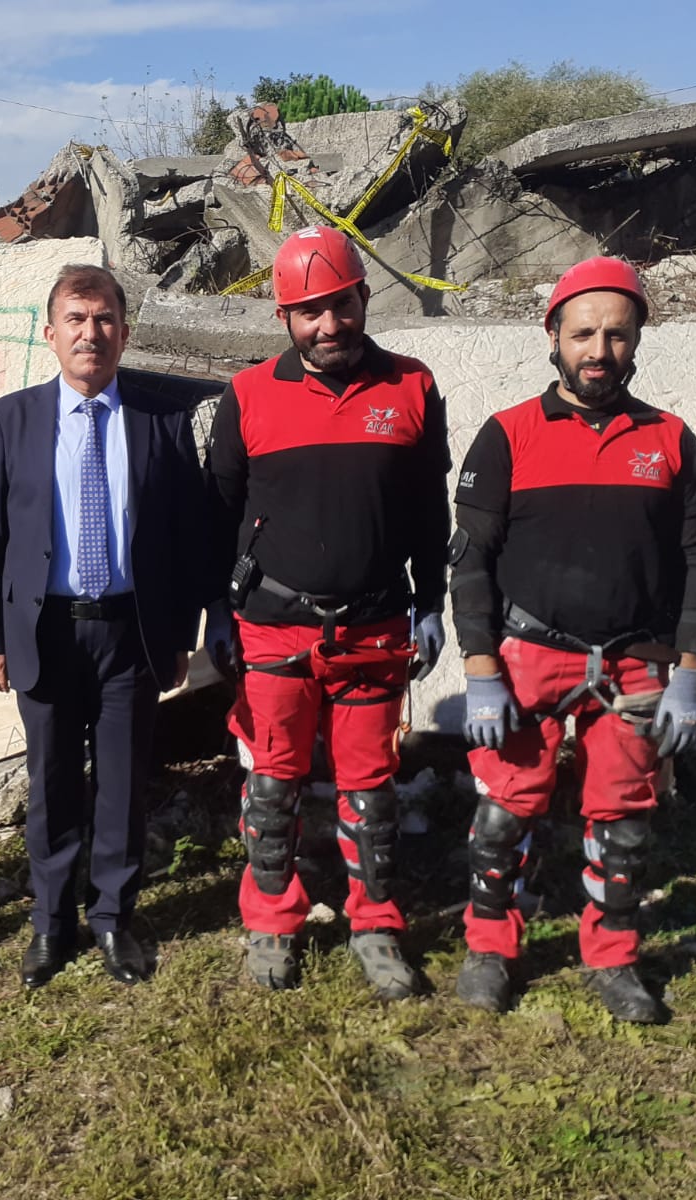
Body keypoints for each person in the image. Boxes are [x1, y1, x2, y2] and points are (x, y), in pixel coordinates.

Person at [451, 256, 696, 1023]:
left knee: (624, 826)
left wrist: (689, 673)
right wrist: (480, 669)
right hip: (529, 654)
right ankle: (490, 948)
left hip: (635, 660)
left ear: (636, 342)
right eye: (584, 333)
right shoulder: (506, 435)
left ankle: (615, 958)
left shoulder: (669, 440)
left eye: (617, 335)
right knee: (503, 816)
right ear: (553, 337)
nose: (599, 350)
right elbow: (470, 562)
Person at [205, 226, 451, 999]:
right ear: (284, 318)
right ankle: (271, 921)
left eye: (340, 305)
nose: (328, 325)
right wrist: (217, 613)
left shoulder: (413, 387)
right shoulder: (246, 396)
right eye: (308, 312)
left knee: (371, 789)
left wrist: (433, 603)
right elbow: (219, 515)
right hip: (274, 624)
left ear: (362, 299)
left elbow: (426, 511)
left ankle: (375, 924)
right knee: (273, 786)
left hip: (376, 624)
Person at [0, 263, 206, 988]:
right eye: (75, 319)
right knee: (51, 786)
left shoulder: (160, 420)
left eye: (104, 319)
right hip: (44, 633)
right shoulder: (11, 420)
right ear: (50, 334)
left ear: (125, 332)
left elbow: (184, 535)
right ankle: (50, 924)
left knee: (122, 786)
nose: (90, 333)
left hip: (128, 634)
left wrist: (179, 636)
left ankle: (113, 919)